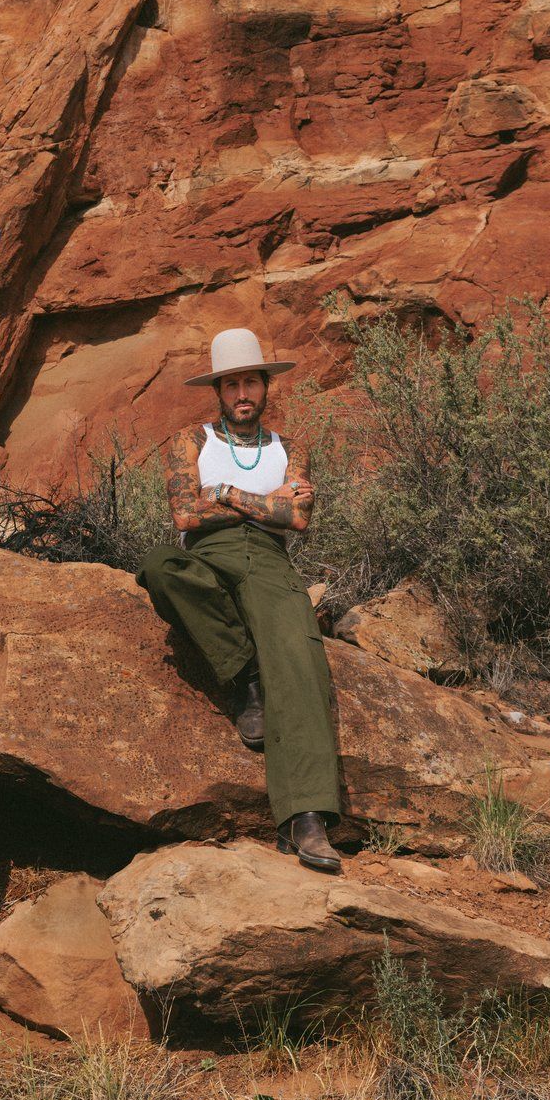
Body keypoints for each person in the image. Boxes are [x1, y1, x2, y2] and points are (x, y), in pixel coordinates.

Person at [137, 328, 342, 871]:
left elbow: (297, 519)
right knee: (160, 566)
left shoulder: (287, 447)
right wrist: (259, 500)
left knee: (299, 662)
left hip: (269, 561)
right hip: (204, 554)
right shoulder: (193, 441)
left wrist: (224, 494)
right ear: (219, 391)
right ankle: (243, 675)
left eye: (251, 381)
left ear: (265, 386)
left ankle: (307, 819)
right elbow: (185, 516)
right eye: (231, 384)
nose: (242, 392)